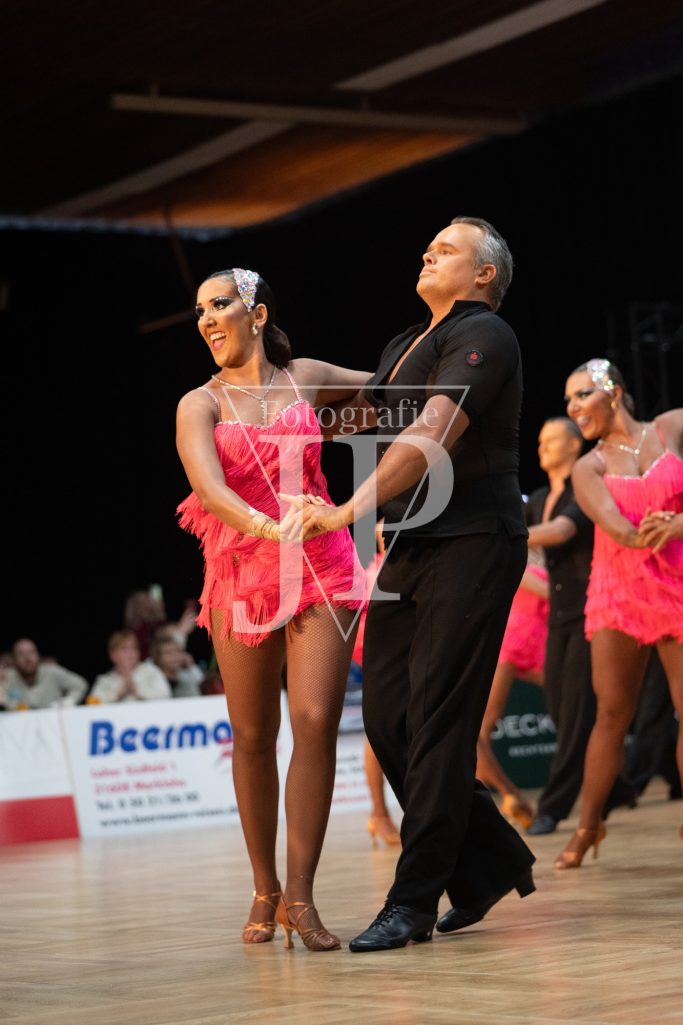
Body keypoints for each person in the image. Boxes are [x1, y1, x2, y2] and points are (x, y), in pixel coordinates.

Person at [286, 217, 536, 951]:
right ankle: (490, 863)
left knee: (436, 720)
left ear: (484, 274)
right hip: (411, 544)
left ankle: (414, 898)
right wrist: (273, 396)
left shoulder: (486, 333)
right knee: (388, 716)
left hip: (474, 541)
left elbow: (430, 433)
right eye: (428, 245)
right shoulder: (404, 344)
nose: (428, 251)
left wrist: (346, 510)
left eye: (447, 248)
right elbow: (360, 419)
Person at [175, 267, 369, 951]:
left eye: (219, 304)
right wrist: (266, 528)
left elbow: (390, 391)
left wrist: (342, 428)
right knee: (254, 734)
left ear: (256, 314)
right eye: (200, 309)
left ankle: (302, 897)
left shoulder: (303, 376)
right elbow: (209, 489)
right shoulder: (199, 403)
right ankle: (265, 887)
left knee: (315, 720)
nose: (206, 318)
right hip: (242, 568)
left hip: (322, 561)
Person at [554, 359, 683, 868]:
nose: (573, 407)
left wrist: (679, 525)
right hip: (619, 590)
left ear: (613, 391)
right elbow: (618, 528)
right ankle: (589, 826)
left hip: (677, 583)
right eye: (569, 400)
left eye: (581, 394)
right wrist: (649, 531)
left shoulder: (672, 427)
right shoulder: (589, 467)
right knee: (611, 714)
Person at [475, 555, 548, 829]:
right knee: (483, 725)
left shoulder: (540, 552)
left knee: (574, 702)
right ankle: (500, 794)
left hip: (536, 642)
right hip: (510, 640)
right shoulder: (512, 553)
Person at [1, 638, 88, 710]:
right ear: (13, 659)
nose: (27, 658)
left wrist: (69, 701)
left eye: (31, 652)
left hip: (54, 721)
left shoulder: (52, 671)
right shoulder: (7, 677)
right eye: (21, 654)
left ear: (38, 655)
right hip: (19, 723)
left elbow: (80, 684)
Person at [90, 630, 171, 703]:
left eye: (134, 648)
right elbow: (92, 704)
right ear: (113, 654)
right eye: (125, 649)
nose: (131, 653)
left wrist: (138, 691)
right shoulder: (105, 680)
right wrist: (117, 694)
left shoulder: (150, 671)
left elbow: (166, 695)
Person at [148, 631, 205, 698]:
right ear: (157, 657)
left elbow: (201, 682)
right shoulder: (152, 679)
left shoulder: (186, 676)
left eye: (177, 651)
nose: (174, 656)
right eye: (168, 653)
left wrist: (191, 666)